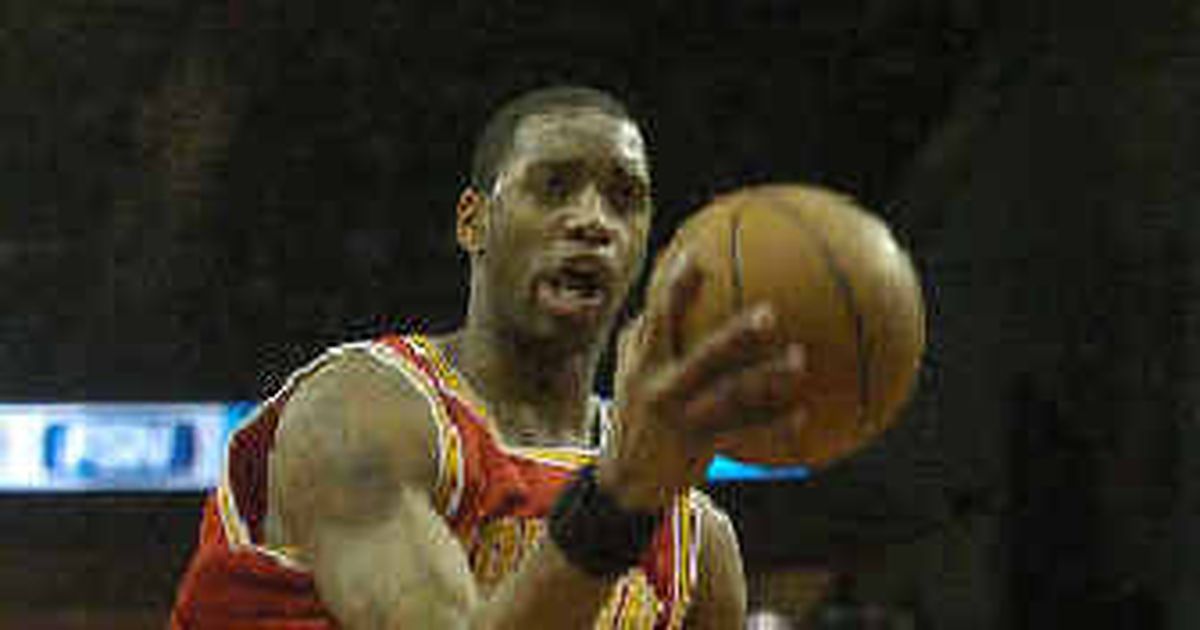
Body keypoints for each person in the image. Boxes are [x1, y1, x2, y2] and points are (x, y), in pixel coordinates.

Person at [171, 85, 808, 629]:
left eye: (624, 198)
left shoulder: (696, 544)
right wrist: (618, 501)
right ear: (473, 222)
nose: (593, 220)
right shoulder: (360, 415)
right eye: (553, 187)